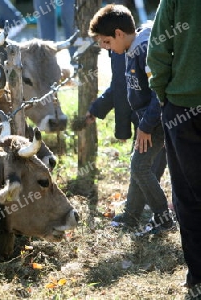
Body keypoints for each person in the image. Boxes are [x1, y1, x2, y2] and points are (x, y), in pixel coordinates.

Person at [88, 4, 174, 233]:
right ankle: (132, 215)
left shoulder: (145, 49)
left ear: (118, 33)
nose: (107, 48)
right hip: (147, 121)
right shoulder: (130, 49)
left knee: (140, 167)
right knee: (139, 166)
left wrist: (145, 126)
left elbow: (158, 91)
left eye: (107, 42)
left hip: (156, 121)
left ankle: (163, 218)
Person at [147, 0, 201, 295]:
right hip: (180, 104)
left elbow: (158, 49)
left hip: (182, 106)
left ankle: (198, 275)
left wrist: (164, 94)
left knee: (189, 196)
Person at [86, 50, 167, 181]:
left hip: (154, 120)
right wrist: (96, 109)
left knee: (146, 171)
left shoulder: (131, 49)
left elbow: (155, 90)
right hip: (144, 120)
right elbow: (119, 86)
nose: (100, 46)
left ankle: (151, 201)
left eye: (104, 41)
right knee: (141, 171)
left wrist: (147, 125)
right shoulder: (120, 48)